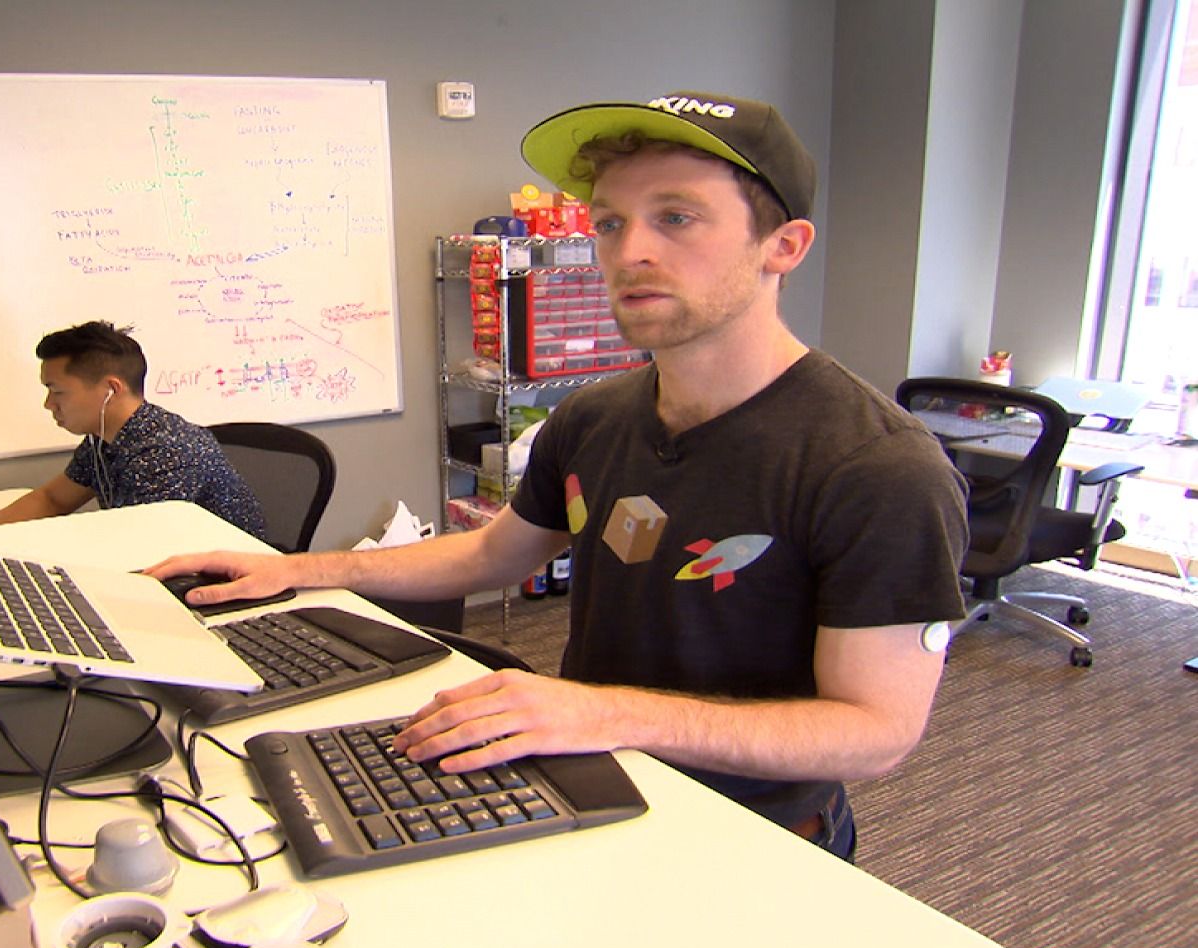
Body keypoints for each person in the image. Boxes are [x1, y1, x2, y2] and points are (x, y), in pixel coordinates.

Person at [147, 91, 968, 860]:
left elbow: (876, 732)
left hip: (755, 835)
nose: (630, 251)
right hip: (590, 779)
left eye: (677, 217)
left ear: (783, 246)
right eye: (610, 222)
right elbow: (490, 555)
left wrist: (603, 711)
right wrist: (299, 570)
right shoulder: (595, 416)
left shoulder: (875, 465)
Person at [0, 320, 269, 539]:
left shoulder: (164, 451)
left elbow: (136, 546)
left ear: (111, 389)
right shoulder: (103, 439)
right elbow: (51, 500)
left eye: (58, 391)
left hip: (223, 583)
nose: (49, 404)